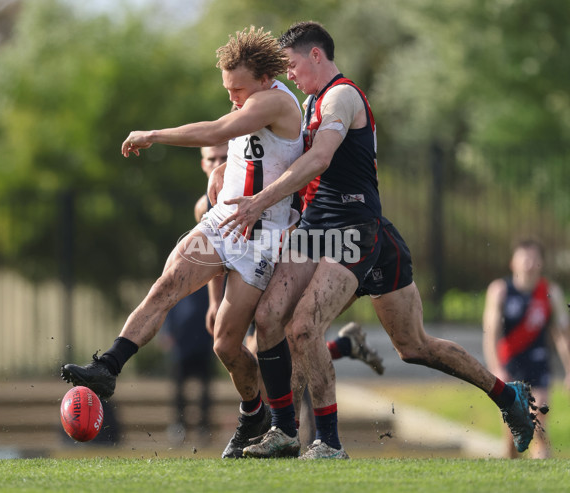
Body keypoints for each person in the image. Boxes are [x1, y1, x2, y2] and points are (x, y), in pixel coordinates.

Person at [215, 21, 538, 459]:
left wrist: (258, 203)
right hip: (316, 230)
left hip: (356, 232)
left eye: (291, 64)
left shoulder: (342, 96)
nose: (288, 74)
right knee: (277, 321)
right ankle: (283, 430)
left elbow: (321, 158)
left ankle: (330, 442)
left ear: (316, 56)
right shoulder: (307, 103)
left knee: (340, 333)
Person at [61, 26, 305, 459]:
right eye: (227, 88)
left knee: (226, 345)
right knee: (166, 284)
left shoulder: (274, 101)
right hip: (222, 221)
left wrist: (153, 135)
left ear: (265, 78)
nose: (233, 96)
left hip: (260, 237)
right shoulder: (252, 98)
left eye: (238, 88)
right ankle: (108, 367)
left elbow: (216, 131)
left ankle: (255, 416)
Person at [157, 144, 228, 444]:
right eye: (212, 158)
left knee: (208, 385)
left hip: (211, 324)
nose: (218, 164)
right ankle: (180, 426)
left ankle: (206, 428)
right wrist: (168, 329)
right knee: (180, 383)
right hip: (188, 329)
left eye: (224, 157)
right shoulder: (203, 212)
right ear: (202, 163)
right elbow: (173, 288)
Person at [483, 238, 570, 458]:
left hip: (539, 362)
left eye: (534, 259)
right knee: (515, 432)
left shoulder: (551, 292)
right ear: (513, 262)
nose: (529, 264)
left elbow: (562, 335)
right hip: (510, 363)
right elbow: (490, 334)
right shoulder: (500, 291)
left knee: (539, 415)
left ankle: (544, 464)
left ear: (541, 263)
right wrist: (496, 369)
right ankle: (513, 471)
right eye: (525, 259)